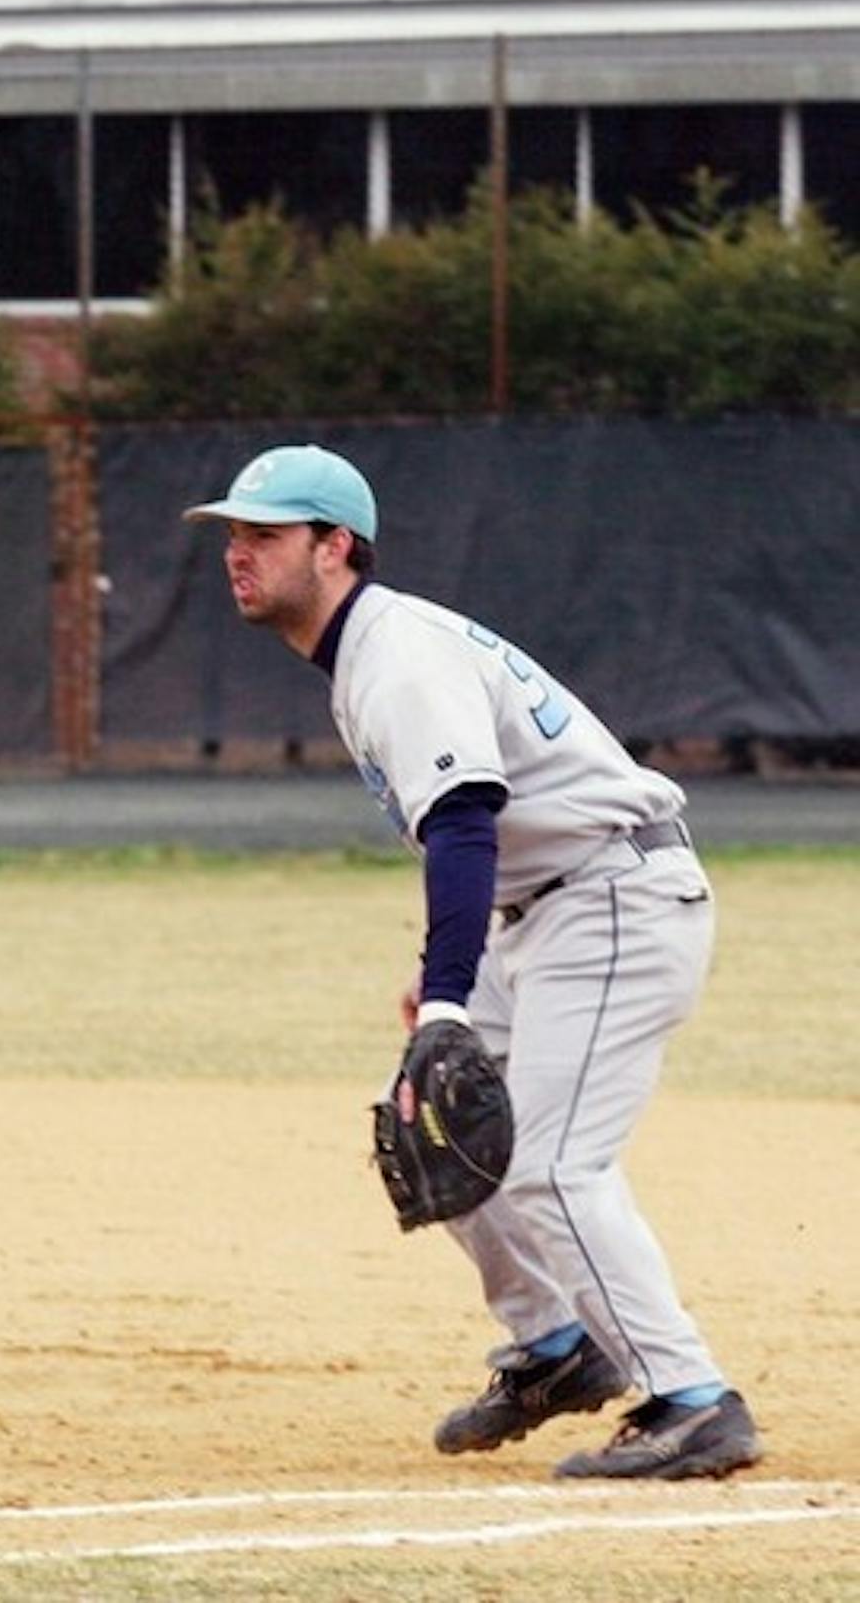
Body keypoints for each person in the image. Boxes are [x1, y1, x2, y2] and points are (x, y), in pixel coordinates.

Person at [183, 443, 761, 1481]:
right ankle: (554, 1346)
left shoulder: (394, 654)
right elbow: (476, 839)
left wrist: (449, 991)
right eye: (232, 533)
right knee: (424, 1118)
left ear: (334, 545)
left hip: (611, 897)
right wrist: (462, 963)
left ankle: (691, 1397)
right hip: (546, 907)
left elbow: (461, 822)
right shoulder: (366, 650)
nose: (237, 552)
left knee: (546, 1159)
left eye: (263, 534)